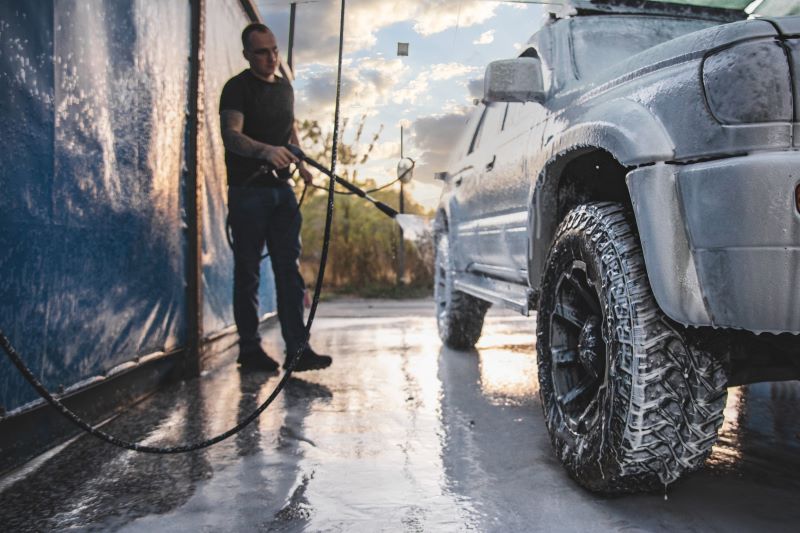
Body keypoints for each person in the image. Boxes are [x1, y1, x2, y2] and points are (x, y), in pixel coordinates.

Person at [219, 22, 331, 372]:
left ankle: (298, 350)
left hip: (283, 192)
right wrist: (265, 151)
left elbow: (290, 127)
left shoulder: (284, 88)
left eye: (274, 50)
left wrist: (301, 161)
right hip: (248, 192)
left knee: (290, 271)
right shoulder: (236, 89)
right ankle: (249, 351)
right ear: (246, 55)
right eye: (262, 52)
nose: (271, 58)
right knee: (248, 272)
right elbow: (231, 136)